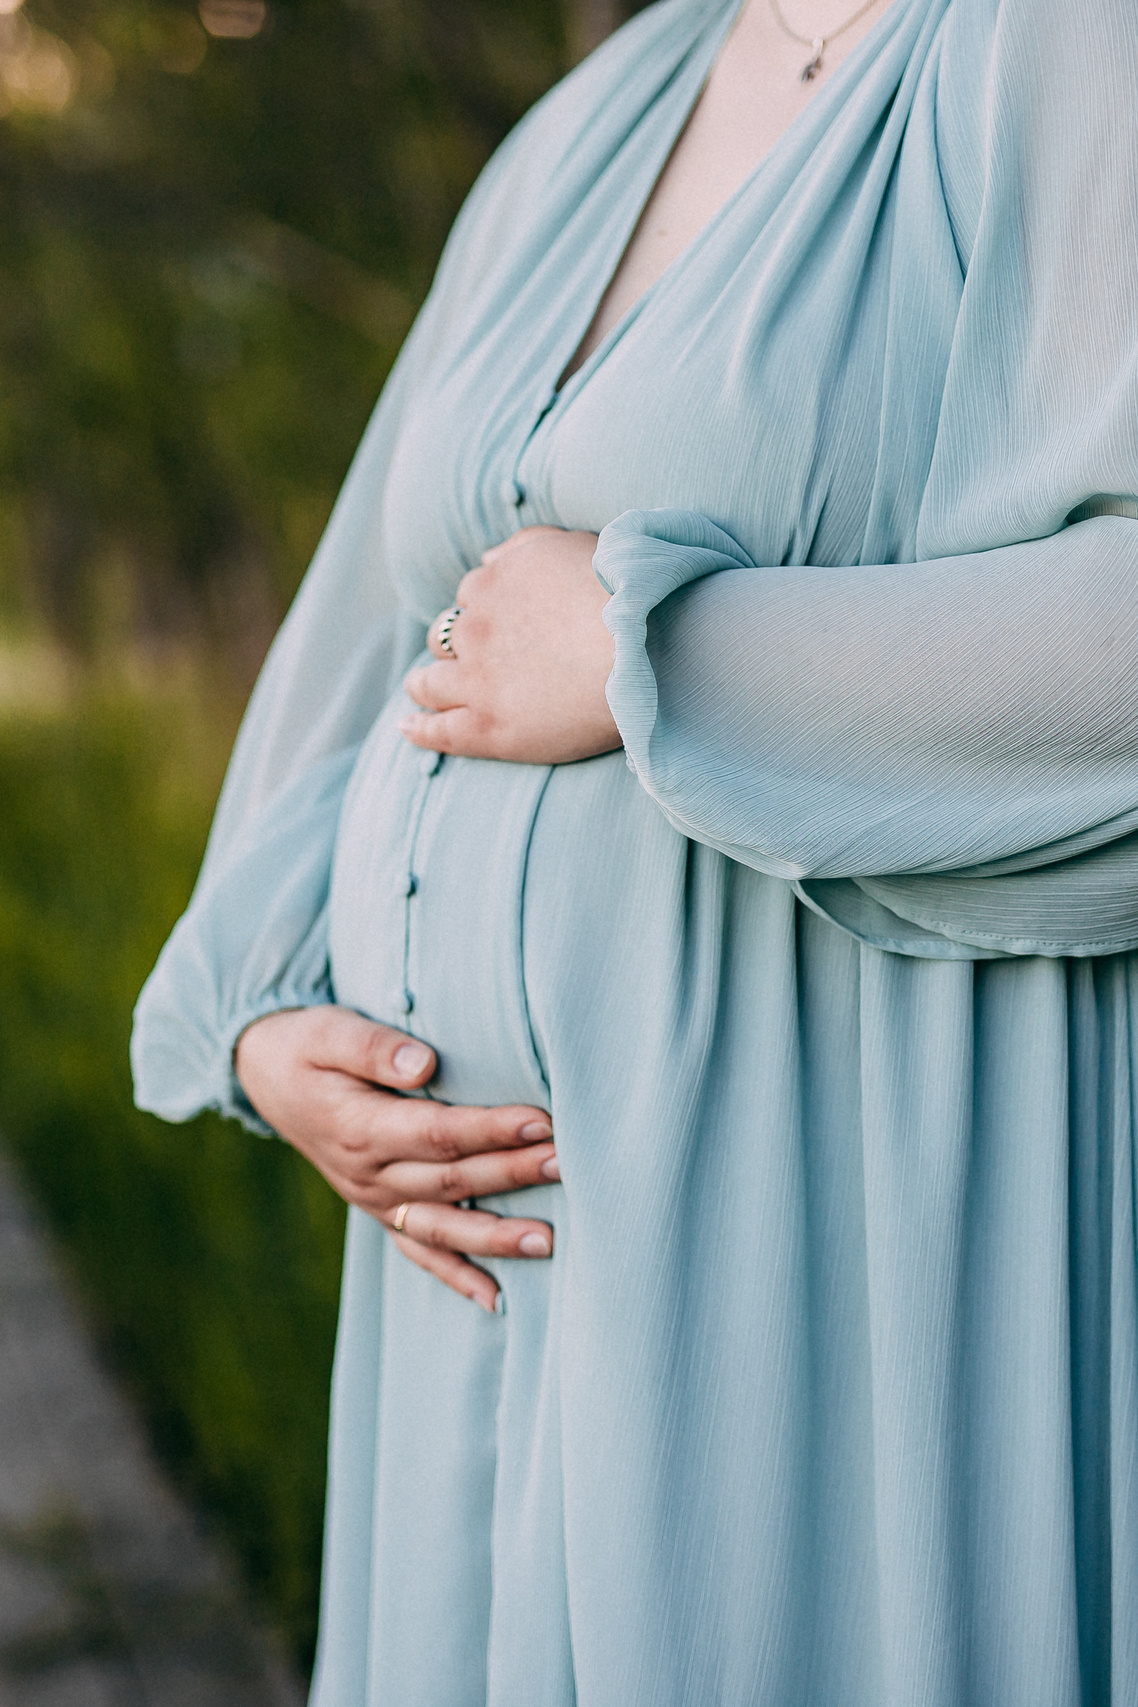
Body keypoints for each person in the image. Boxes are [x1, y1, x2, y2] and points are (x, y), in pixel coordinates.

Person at [132, 0, 1138, 1699]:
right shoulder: (615, 96)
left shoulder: (1070, 44)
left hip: (837, 1190)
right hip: (481, 1275)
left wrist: (666, 654)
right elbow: (387, 623)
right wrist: (265, 1003)